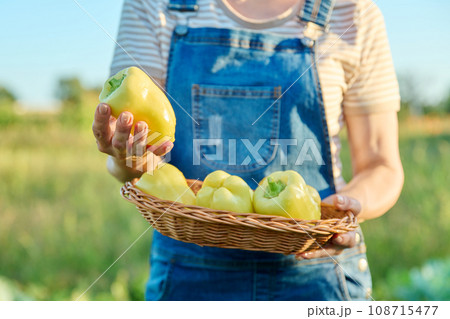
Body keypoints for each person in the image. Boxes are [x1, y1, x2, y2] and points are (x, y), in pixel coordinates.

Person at [92, 0, 404, 300]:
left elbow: (381, 165)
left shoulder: (353, 10)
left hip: (317, 271)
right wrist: (126, 157)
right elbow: (131, 164)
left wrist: (344, 212)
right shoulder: (154, 5)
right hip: (189, 275)